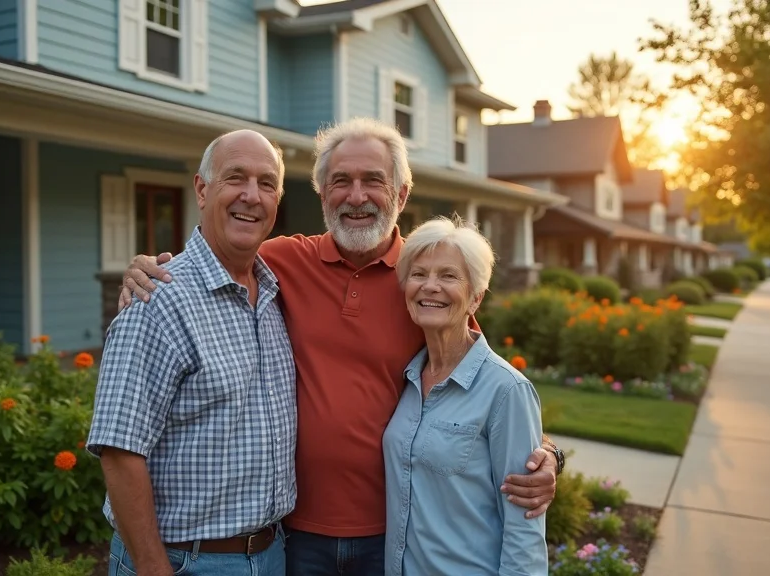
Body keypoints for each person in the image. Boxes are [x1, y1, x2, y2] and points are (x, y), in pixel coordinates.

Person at [118, 117, 563, 576]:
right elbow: (216, 255)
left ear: (401, 194)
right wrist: (146, 268)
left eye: (374, 181)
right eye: (341, 182)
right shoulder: (280, 262)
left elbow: (480, 384)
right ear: (322, 193)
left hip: (391, 535)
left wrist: (545, 452)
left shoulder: (423, 283)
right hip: (293, 535)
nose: (356, 197)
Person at [86, 130, 297, 576]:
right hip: (186, 561)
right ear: (202, 190)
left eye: (266, 183)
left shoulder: (278, 294)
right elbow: (120, 451)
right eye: (235, 178)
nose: (251, 196)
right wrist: (153, 568)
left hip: (272, 555)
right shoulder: (157, 298)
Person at [384, 216, 548, 576]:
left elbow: (525, 526)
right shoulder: (408, 378)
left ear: (475, 297)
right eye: (419, 274)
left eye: (448, 276)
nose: (430, 286)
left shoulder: (506, 390)